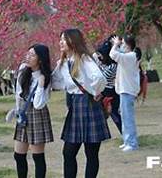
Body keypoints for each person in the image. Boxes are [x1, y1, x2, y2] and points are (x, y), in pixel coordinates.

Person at [52, 28, 110, 178]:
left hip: (88, 104)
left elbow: (99, 78)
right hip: (74, 104)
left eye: (64, 39)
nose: (61, 42)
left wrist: (95, 92)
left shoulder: (84, 59)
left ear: (73, 41)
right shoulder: (63, 63)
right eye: (61, 39)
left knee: (91, 152)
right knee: (68, 152)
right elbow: (56, 82)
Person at [13, 44, 53, 178]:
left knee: (37, 157)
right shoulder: (23, 70)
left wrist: (41, 85)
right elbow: (18, 93)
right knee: (18, 155)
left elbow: (38, 104)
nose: (28, 57)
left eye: (32, 55)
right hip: (23, 114)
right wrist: (17, 110)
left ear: (40, 59)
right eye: (28, 54)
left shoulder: (44, 77)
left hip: (37, 114)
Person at [109, 35, 140, 152]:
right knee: (125, 117)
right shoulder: (127, 56)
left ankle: (132, 143)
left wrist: (116, 44)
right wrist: (116, 44)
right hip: (124, 90)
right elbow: (116, 54)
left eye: (123, 44)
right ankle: (127, 141)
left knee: (128, 118)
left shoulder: (130, 56)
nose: (121, 46)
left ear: (127, 45)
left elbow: (113, 54)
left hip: (128, 91)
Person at [93, 37, 122, 134]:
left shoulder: (112, 66)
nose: (99, 57)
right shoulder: (103, 63)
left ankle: (126, 135)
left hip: (110, 93)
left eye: (101, 55)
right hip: (103, 92)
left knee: (115, 116)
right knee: (101, 115)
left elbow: (102, 79)